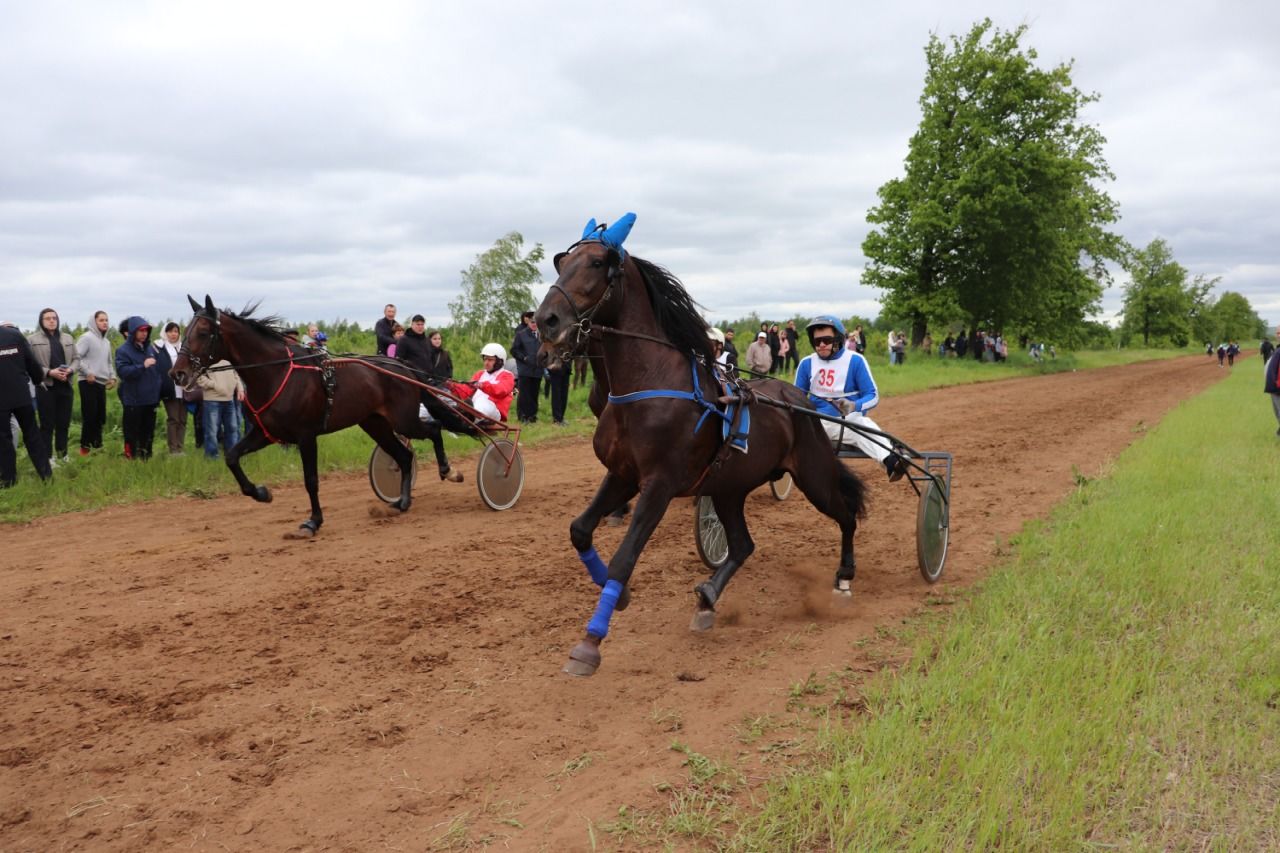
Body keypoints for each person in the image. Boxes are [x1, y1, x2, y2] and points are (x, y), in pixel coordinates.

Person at [794, 315, 906, 481]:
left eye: (826, 340)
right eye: (817, 341)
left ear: (838, 339)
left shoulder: (855, 360)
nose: (821, 345)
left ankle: (891, 462)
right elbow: (795, 399)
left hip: (847, 423)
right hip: (816, 426)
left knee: (863, 425)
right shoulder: (806, 363)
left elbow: (873, 396)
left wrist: (854, 406)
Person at [1, 320, 53, 487]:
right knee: (33, 435)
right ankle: (47, 476)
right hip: (22, 395)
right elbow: (31, 362)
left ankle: (8, 481)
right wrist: (38, 379)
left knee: (4, 440)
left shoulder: (13, 334)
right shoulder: (14, 335)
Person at [26, 308, 78, 466]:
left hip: (65, 386)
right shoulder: (32, 340)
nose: (51, 321)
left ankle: (63, 455)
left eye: (54, 318)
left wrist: (70, 370)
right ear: (41, 321)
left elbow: (77, 359)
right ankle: (48, 458)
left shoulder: (68, 338)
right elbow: (29, 364)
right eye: (47, 318)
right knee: (47, 425)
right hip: (46, 387)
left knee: (63, 423)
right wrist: (49, 372)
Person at [114, 316, 164, 460]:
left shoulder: (149, 348)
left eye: (146, 330)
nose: (144, 333)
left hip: (151, 399)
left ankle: (146, 458)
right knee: (132, 433)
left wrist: (157, 388)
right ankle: (131, 458)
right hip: (134, 400)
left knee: (148, 432)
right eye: (141, 330)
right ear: (132, 332)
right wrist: (143, 366)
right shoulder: (123, 350)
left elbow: (156, 372)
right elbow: (123, 372)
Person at [74, 310, 116, 455]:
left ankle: (97, 446)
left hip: (101, 383)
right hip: (87, 382)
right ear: (94, 322)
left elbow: (109, 362)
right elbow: (75, 358)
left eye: (106, 320)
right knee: (90, 415)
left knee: (100, 416)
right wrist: (87, 372)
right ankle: (84, 448)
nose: (105, 323)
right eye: (101, 320)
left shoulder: (106, 342)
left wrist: (113, 377)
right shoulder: (86, 338)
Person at [448, 343, 515, 421]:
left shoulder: (507, 375)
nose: (486, 363)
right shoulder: (480, 373)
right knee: (454, 400)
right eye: (485, 359)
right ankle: (465, 414)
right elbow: (466, 390)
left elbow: (501, 390)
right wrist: (453, 386)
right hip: (476, 406)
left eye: (490, 360)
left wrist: (483, 386)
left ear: (499, 361)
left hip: (495, 410)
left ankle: (469, 415)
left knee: (483, 402)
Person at [197, 359, 244, 459]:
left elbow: (235, 374)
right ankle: (211, 457)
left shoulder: (227, 357)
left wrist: (240, 388)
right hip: (212, 400)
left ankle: (232, 455)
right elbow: (198, 377)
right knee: (212, 431)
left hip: (229, 399)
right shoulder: (204, 357)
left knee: (232, 429)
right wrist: (216, 386)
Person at [154, 322, 188, 455]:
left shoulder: (183, 348)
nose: (174, 334)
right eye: (170, 331)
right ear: (165, 333)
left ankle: (180, 447)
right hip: (170, 388)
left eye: (176, 331)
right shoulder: (159, 348)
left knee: (183, 420)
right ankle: (173, 449)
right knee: (174, 419)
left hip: (184, 389)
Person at [511, 310, 542, 423]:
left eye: (536, 322)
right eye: (532, 322)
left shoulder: (542, 335)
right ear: (528, 322)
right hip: (525, 370)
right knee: (524, 394)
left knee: (534, 394)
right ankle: (523, 416)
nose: (534, 324)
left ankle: (532, 416)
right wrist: (523, 358)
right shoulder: (521, 334)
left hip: (538, 370)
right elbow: (514, 350)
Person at [1265, 335, 1280, 436]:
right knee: (1277, 412)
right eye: (1277, 332)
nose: (1277, 335)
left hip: (1277, 387)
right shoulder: (1277, 349)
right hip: (1273, 387)